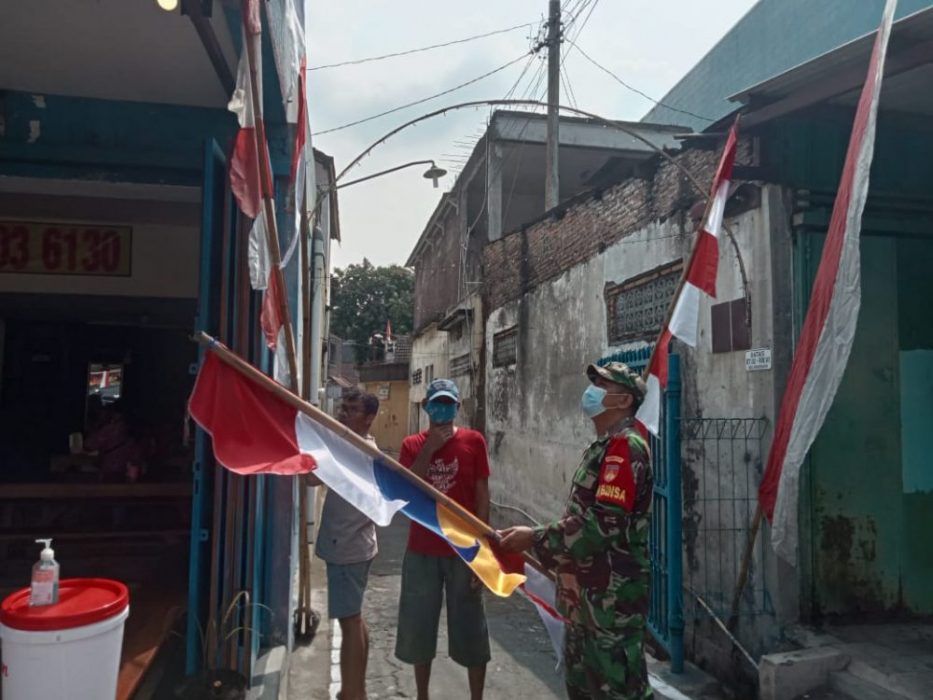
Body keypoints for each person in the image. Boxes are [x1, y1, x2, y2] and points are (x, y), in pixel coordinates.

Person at [498, 362, 654, 700]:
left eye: (602, 383)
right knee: (584, 689)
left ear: (623, 400)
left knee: (619, 691)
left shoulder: (625, 449)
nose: (593, 388)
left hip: (610, 607)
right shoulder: (602, 447)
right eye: (594, 381)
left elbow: (602, 526)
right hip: (585, 601)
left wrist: (534, 538)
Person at [396, 378, 491, 700]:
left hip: (464, 549)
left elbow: (481, 494)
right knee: (419, 627)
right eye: (436, 403)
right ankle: (422, 694)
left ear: (457, 408)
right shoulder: (411, 445)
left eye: (448, 404)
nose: (442, 410)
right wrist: (430, 450)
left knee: (470, 627)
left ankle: (476, 696)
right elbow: (408, 490)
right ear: (426, 408)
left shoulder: (474, 441)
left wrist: (485, 550)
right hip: (422, 550)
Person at [311, 388, 381, 700]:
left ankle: (352, 693)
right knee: (354, 617)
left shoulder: (353, 451)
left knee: (349, 620)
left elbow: (311, 478)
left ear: (369, 418)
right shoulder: (355, 447)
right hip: (355, 542)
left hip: (348, 545)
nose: (343, 414)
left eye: (352, 410)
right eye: (343, 408)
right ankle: (357, 690)